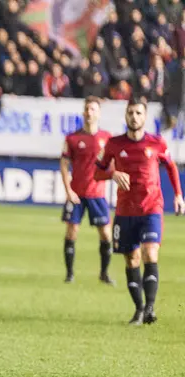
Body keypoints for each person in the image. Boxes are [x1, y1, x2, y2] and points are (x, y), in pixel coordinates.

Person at [95, 97, 184, 325]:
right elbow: (97, 172)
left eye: (138, 113)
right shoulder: (114, 144)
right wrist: (112, 174)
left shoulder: (157, 143)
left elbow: (171, 167)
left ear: (145, 117)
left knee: (150, 253)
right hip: (125, 211)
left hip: (151, 207)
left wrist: (178, 195)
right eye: (131, 113)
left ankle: (150, 308)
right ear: (126, 115)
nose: (134, 117)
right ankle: (139, 309)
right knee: (131, 259)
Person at [60, 96, 115, 285]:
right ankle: (69, 274)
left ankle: (104, 273)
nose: (89, 112)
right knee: (72, 232)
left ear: (99, 113)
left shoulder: (107, 138)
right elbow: (64, 164)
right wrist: (68, 190)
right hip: (76, 194)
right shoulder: (72, 138)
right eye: (87, 109)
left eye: (93, 109)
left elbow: (113, 164)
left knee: (106, 234)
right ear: (83, 112)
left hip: (97, 194)